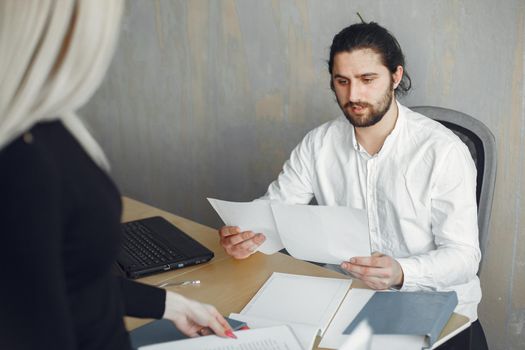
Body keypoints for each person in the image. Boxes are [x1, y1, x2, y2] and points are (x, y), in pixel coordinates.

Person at [219, 22, 488, 349]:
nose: (353, 95)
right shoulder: (319, 144)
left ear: (396, 76)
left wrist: (401, 272)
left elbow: (463, 257)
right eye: (342, 81)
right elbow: (276, 209)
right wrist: (247, 236)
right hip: (346, 300)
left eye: (367, 80)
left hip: (433, 306)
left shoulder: (442, 151)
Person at [0, 1, 233, 349]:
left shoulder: (50, 124)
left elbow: (75, 278)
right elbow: (32, 323)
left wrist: (170, 305)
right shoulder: (23, 160)